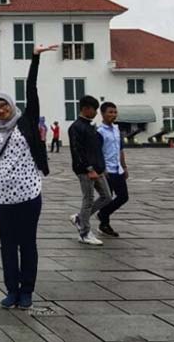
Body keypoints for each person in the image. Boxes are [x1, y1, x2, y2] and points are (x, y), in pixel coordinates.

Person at [0, 44, 56, 310]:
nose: (1, 110)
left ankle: (26, 291)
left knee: (27, 243)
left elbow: (32, 89)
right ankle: (11, 290)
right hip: (0, 197)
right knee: (7, 245)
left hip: (28, 194)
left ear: (11, 106)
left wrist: (35, 58)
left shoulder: (26, 122)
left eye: (3, 105)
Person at [68, 95, 112, 246]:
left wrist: (102, 167)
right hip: (86, 170)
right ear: (85, 109)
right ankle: (85, 232)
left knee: (107, 196)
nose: (96, 113)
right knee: (88, 199)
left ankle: (80, 218)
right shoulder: (76, 127)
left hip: (98, 169)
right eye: (94, 110)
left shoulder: (91, 127)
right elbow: (77, 151)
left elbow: (96, 150)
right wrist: (89, 168)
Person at [96, 102, 129, 237]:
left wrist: (124, 166)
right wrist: (101, 168)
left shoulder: (117, 129)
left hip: (118, 169)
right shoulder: (99, 131)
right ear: (103, 114)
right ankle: (104, 224)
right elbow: (96, 152)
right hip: (106, 170)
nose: (113, 115)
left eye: (115, 112)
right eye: (110, 112)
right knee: (107, 198)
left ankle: (103, 214)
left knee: (123, 197)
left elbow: (120, 149)